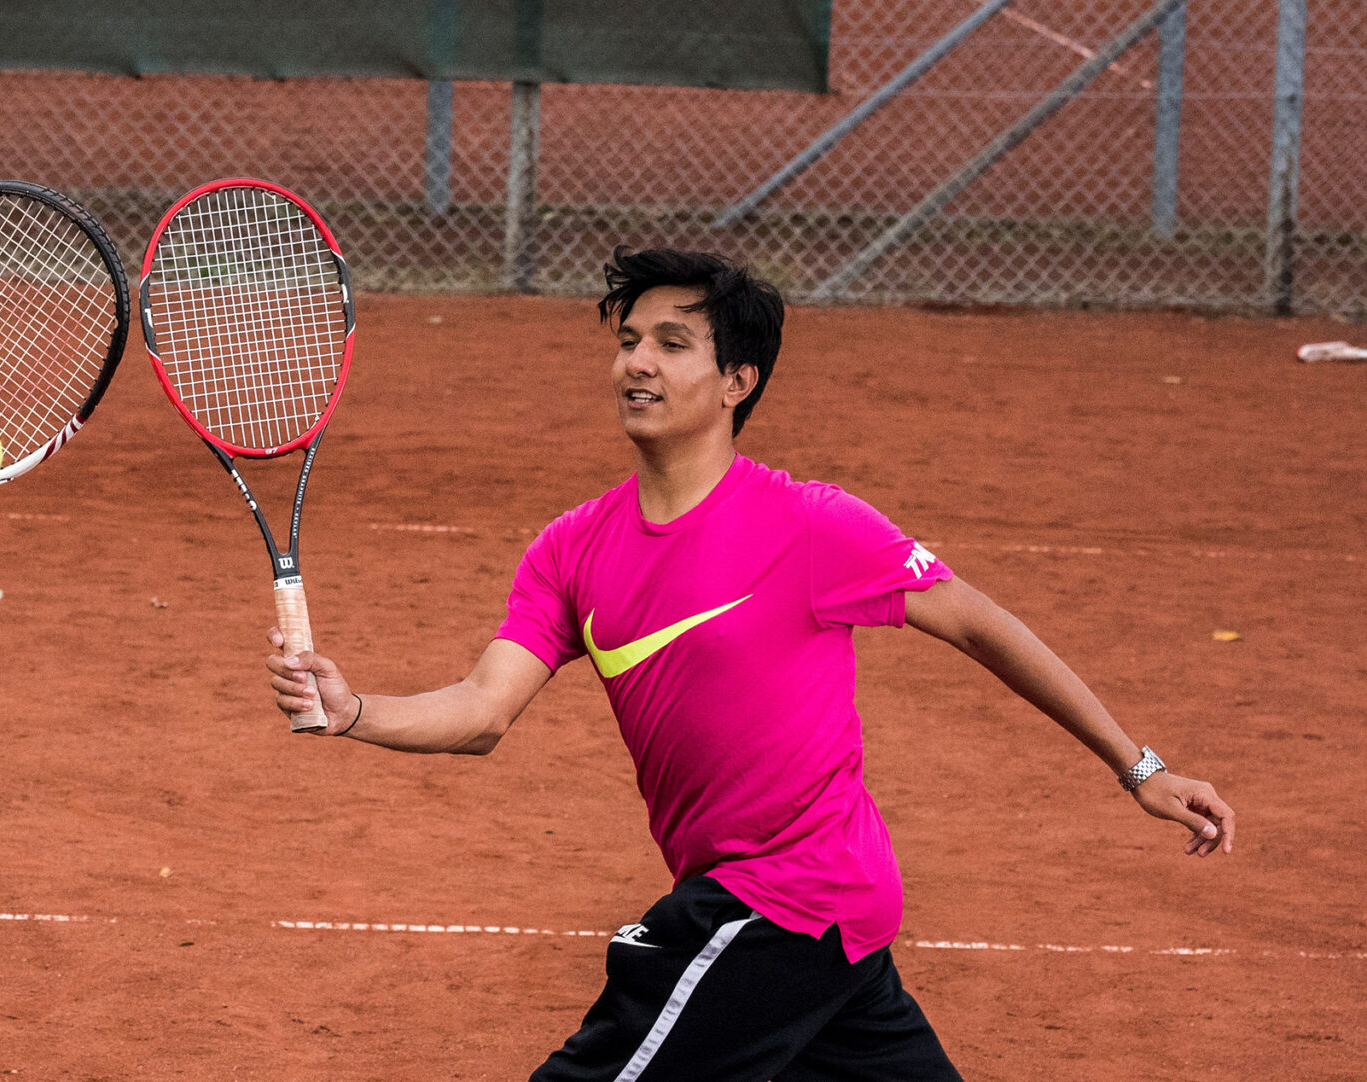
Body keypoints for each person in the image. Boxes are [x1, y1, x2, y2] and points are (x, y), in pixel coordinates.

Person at [264, 248, 1235, 1082]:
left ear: (737, 380)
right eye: (628, 339)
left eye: (671, 343)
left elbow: (982, 625)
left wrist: (1138, 767)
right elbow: (483, 707)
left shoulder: (810, 525)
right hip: (824, 927)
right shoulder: (571, 549)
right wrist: (355, 710)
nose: (636, 361)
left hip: (786, 899)